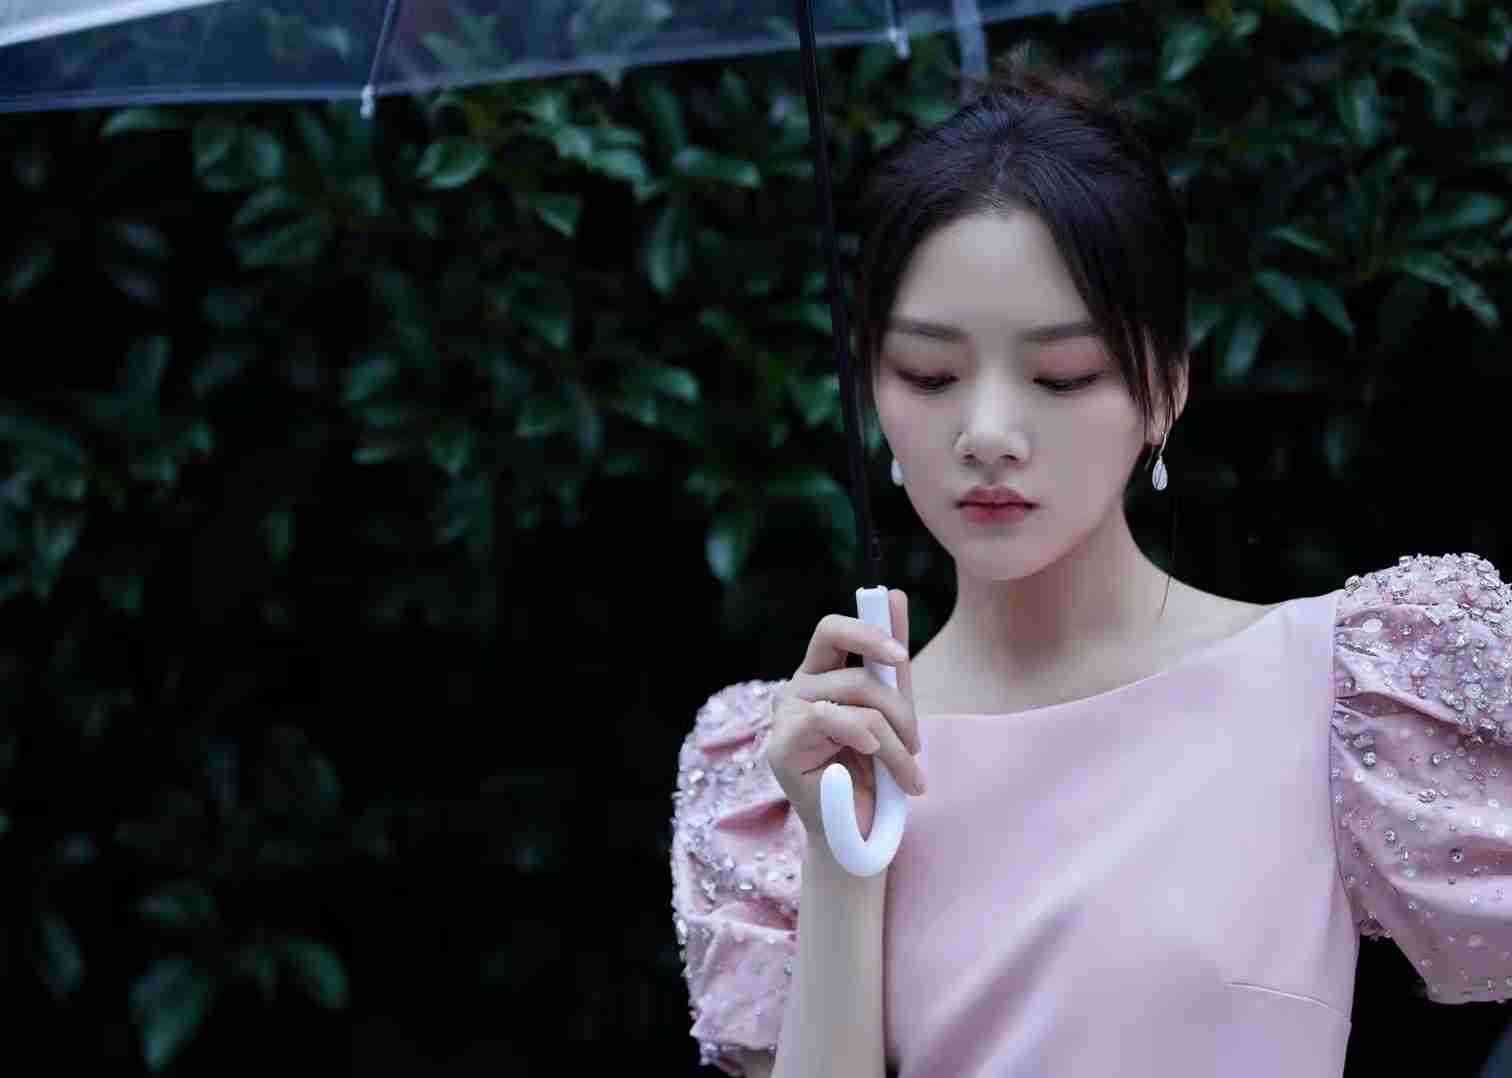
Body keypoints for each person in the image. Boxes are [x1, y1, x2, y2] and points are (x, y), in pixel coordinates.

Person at [667, 50, 1512, 1078]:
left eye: (1062, 375)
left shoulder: (1350, 690)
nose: (987, 432)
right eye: (929, 374)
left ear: (1166, 388)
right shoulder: (799, 764)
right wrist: (842, 863)